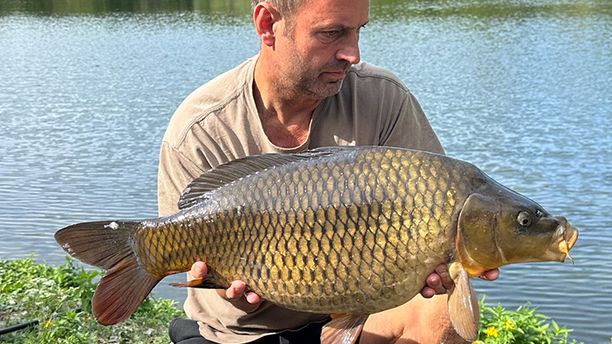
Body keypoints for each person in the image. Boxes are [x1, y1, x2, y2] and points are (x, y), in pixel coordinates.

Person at [157, 0, 499, 343]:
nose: (352, 53)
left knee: (437, 312)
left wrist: (438, 261)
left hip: (359, 316)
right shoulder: (199, 130)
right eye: (332, 33)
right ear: (267, 24)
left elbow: (439, 206)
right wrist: (221, 283)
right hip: (238, 333)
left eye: (358, 30)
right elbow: (196, 265)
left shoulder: (384, 98)